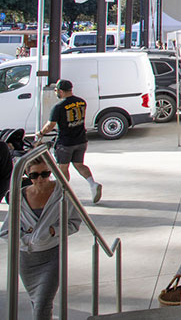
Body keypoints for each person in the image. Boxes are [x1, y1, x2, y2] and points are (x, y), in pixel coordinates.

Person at [1, 159, 81, 319]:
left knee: (42, 303)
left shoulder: (62, 192)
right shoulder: (20, 197)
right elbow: (6, 231)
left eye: (45, 174)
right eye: (34, 175)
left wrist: (54, 231)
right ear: (27, 175)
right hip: (27, 260)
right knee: (36, 301)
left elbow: (74, 222)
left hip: (51, 258)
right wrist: (27, 239)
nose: (40, 179)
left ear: (51, 172)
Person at [38, 79, 102, 203]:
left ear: (61, 91)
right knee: (79, 164)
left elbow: (50, 125)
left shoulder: (58, 107)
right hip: (81, 140)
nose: (56, 92)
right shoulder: (81, 102)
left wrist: (40, 133)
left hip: (65, 142)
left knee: (63, 168)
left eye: (56, 90)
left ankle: (64, 193)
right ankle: (92, 184)